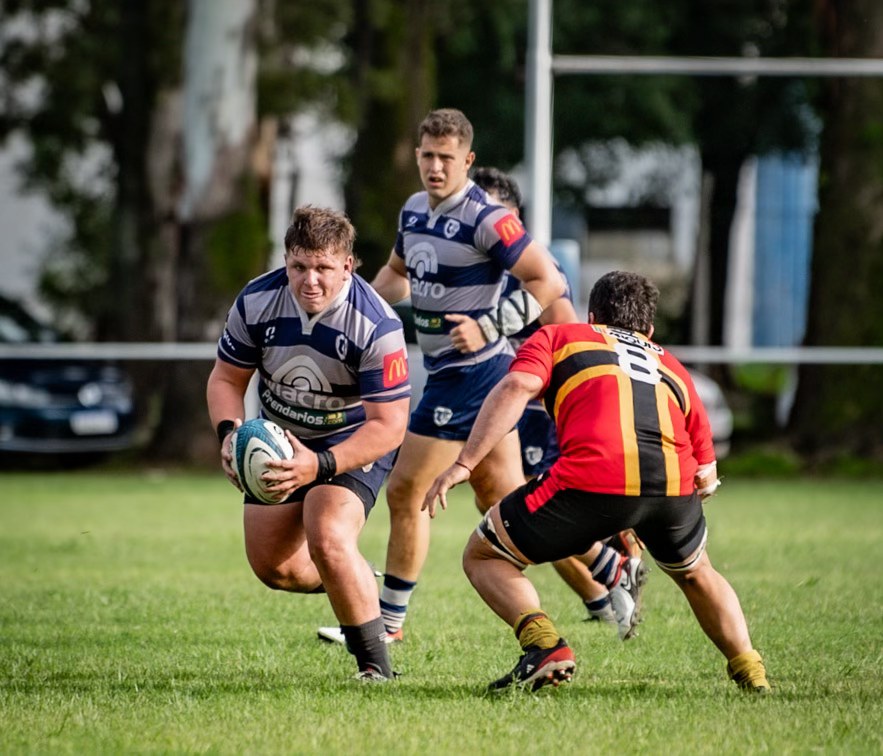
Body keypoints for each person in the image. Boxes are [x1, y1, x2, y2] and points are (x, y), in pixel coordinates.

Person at [423, 270, 771, 694]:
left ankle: (545, 646)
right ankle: (751, 671)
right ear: (649, 328)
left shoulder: (559, 337)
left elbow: (516, 385)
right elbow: (707, 474)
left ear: (591, 316)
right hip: (672, 487)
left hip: (591, 480)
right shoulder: (672, 365)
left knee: (484, 554)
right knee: (697, 571)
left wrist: (465, 463)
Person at [364, 108, 568, 642]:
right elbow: (396, 276)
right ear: (416, 155)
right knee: (507, 503)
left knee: (406, 491)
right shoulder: (413, 211)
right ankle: (604, 577)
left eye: (446, 159)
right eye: (427, 156)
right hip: (449, 372)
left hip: (474, 372)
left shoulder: (487, 218)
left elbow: (548, 280)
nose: (435, 167)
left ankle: (386, 625)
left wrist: (489, 325)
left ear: (468, 161)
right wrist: (354, 305)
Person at [206, 205, 411, 682]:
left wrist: (319, 465)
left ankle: (376, 670)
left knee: (328, 535)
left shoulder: (376, 324)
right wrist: (229, 433)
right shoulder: (257, 302)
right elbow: (225, 379)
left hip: (352, 439)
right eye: (299, 266)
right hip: (280, 437)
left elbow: (389, 425)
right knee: (274, 568)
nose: (310, 280)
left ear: (348, 266)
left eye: (323, 267)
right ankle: (352, 575)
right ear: (286, 261)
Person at [468, 167, 647, 637]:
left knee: (531, 507)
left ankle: (388, 617)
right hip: (500, 405)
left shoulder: (535, 267)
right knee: (497, 499)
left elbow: (568, 339)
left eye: (493, 215)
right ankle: (602, 587)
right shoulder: (468, 265)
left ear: (515, 219)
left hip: (539, 410)